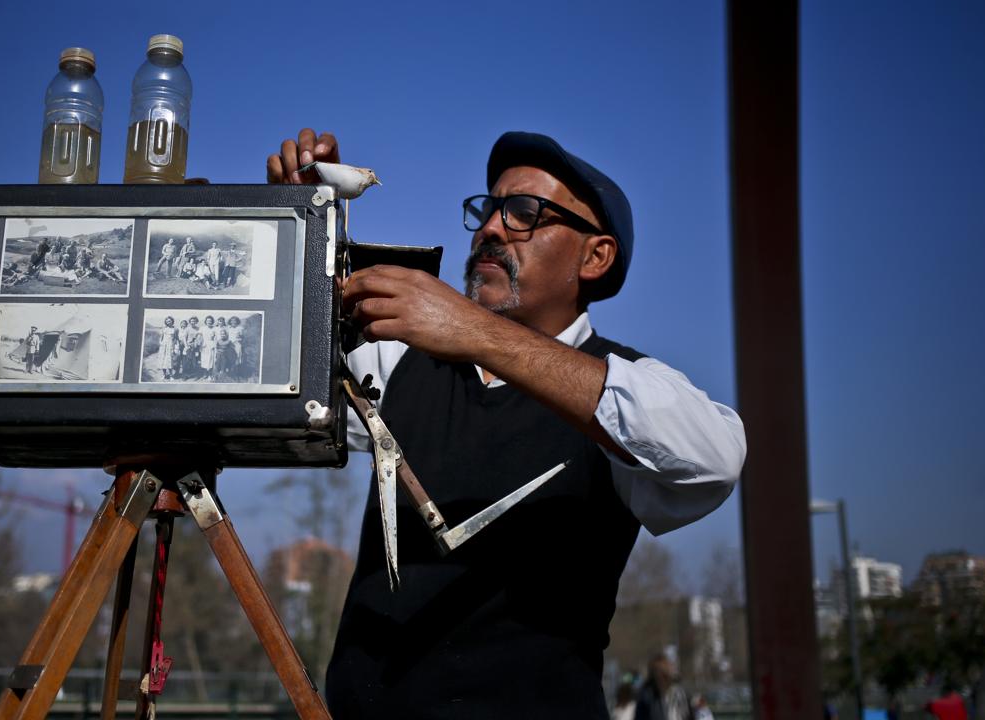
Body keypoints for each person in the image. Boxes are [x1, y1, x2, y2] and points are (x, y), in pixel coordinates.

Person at [266, 128, 745, 718]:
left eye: (524, 212)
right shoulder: (403, 362)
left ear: (595, 256)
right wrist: (305, 223)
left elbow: (716, 460)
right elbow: (286, 368)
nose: (491, 228)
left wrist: (471, 328)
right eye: (488, 209)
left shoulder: (622, 386)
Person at [636, 654, 693, 720]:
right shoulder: (646, 695)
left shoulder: (680, 693)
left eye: (663, 671)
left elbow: (688, 714)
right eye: (658, 671)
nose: (660, 675)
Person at [157, 316, 181, 381]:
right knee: (163, 360)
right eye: (167, 321)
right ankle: (164, 375)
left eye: (170, 321)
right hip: (163, 346)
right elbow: (161, 337)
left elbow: (176, 338)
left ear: (172, 321)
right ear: (166, 322)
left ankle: (171, 375)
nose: (168, 322)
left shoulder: (175, 329)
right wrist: (160, 343)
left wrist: (176, 347)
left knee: (170, 361)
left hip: (171, 346)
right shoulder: (163, 328)